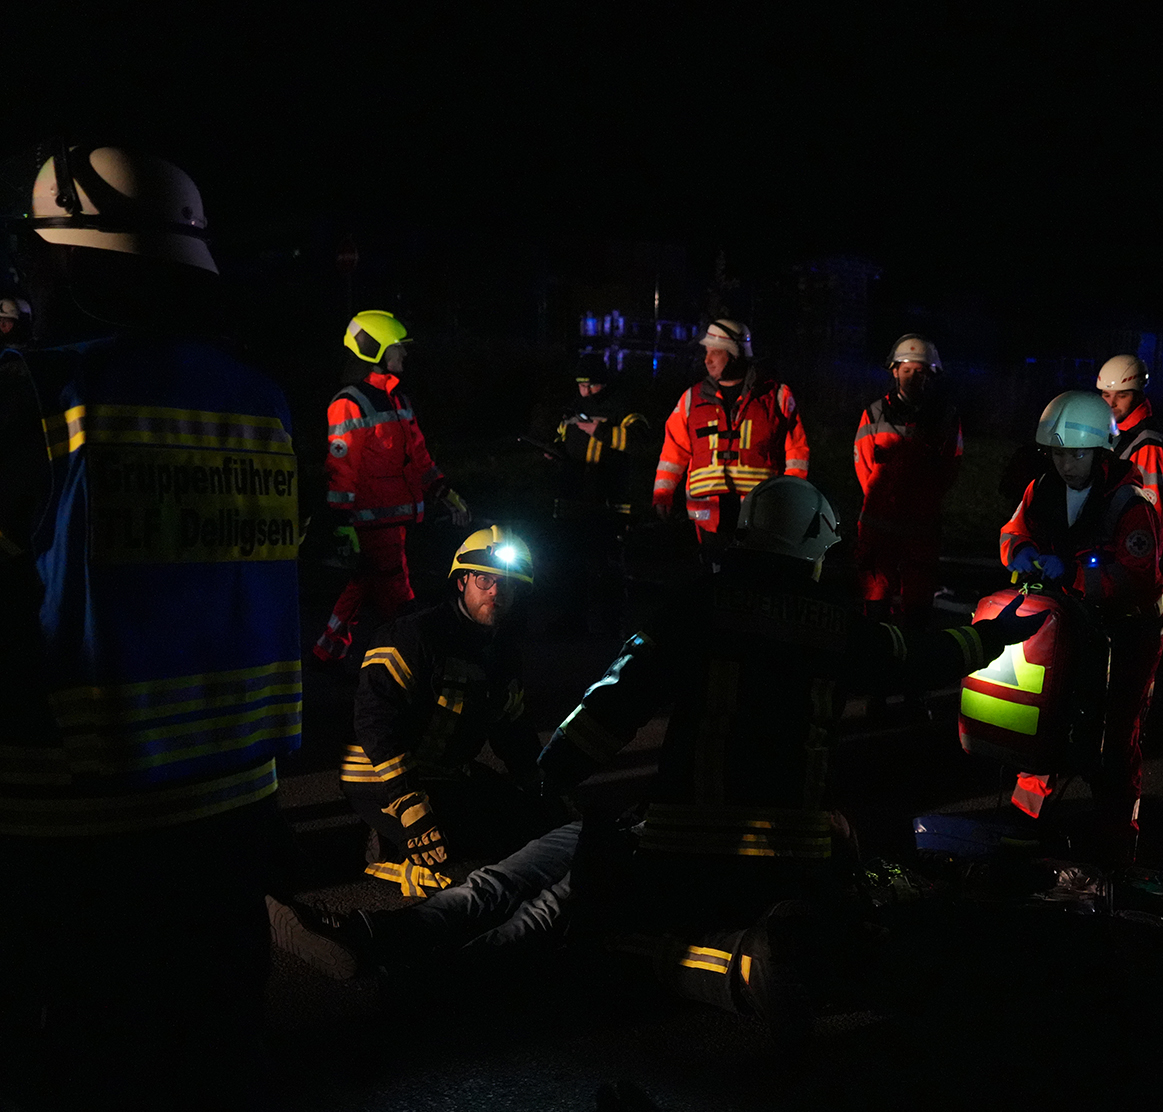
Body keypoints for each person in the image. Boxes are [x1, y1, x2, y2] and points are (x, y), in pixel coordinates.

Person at [273, 478, 1046, 1046]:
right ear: (813, 545)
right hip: (783, 853)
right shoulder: (837, 624)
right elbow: (918, 655)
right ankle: (392, 955)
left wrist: (552, 773)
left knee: (537, 890)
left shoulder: (700, 607)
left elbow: (616, 698)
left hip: (677, 839)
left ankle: (393, 956)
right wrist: (995, 634)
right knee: (550, 879)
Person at [0, 146, 295, 1112]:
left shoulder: (38, 396)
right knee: (219, 1066)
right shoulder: (261, 400)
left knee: (76, 1093)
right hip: (232, 803)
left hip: (68, 819)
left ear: (67, 263)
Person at [343, 526, 565, 896]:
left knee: (531, 831)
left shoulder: (502, 653)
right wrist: (409, 802)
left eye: (507, 585)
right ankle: (390, 855)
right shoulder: (412, 636)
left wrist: (544, 792)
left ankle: (403, 834)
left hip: (445, 774)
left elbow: (513, 732)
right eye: (484, 579)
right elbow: (375, 722)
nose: (496, 592)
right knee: (470, 873)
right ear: (462, 582)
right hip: (378, 774)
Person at [998, 391, 1163, 856]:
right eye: (1058, 454)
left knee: (1114, 738)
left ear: (1100, 452)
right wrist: (1021, 551)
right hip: (1069, 625)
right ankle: (1026, 820)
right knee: (1046, 718)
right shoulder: (1041, 488)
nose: (1066, 465)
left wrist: (1072, 574)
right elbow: (1014, 531)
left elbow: (1136, 576)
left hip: (1127, 633)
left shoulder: (1129, 502)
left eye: (1076, 454)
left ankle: (1116, 837)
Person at [311, 309, 471, 664]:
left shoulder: (399, 399)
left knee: (364, 584)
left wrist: (445, 492)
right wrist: (342, 523)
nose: (404, 353)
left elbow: (419, 455)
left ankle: (328, 651)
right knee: (398, 593)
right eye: (398, 346)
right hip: (371, 522)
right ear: (376, 350)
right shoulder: (350, 403)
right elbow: (341, 468)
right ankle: (414, 659)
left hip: (392, 519)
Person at [652, 319, 809, 565]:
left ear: (735, 355)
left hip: (760, 515)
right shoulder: (691, 399)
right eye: (706, 352)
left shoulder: (776, 397)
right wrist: (663, 494)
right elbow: (673, 453)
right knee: (713, 578)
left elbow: (797, 452)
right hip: (708, 515)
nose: (707, 360)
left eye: (715, 352)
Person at [854, 334, 963, 634]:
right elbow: (863, 465)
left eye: (920, 371)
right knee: (875, 601)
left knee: (918, 603)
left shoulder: (945, 417)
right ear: (894, 371)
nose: (913, 377)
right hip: (878, 524)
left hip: (921, 526)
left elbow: (951, 466)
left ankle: (912, 651)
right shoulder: (873, 413)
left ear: (931, 375)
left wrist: (924, 500)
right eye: (906, 370)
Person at [543, 353, 650, 635]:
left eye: (592, 385)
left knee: (607, 565)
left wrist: (600, 431)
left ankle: (610, 625)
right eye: (582, 386)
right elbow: (562, 439)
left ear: (605, 382)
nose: (587, 391)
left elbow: (640, 440)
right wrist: (554, 451)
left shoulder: (622, 407)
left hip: (609, 502)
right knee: (570, 564)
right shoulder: (573, 409)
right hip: (574, 500)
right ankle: (571, 622)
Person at [1097, 353, 1163, 532]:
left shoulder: (1148, 444)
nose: (1111, 403)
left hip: (1131, 543)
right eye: (1106, 394)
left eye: (1122, 395)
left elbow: (1151, 514)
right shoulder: (1118, 432)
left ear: (1139, 394)